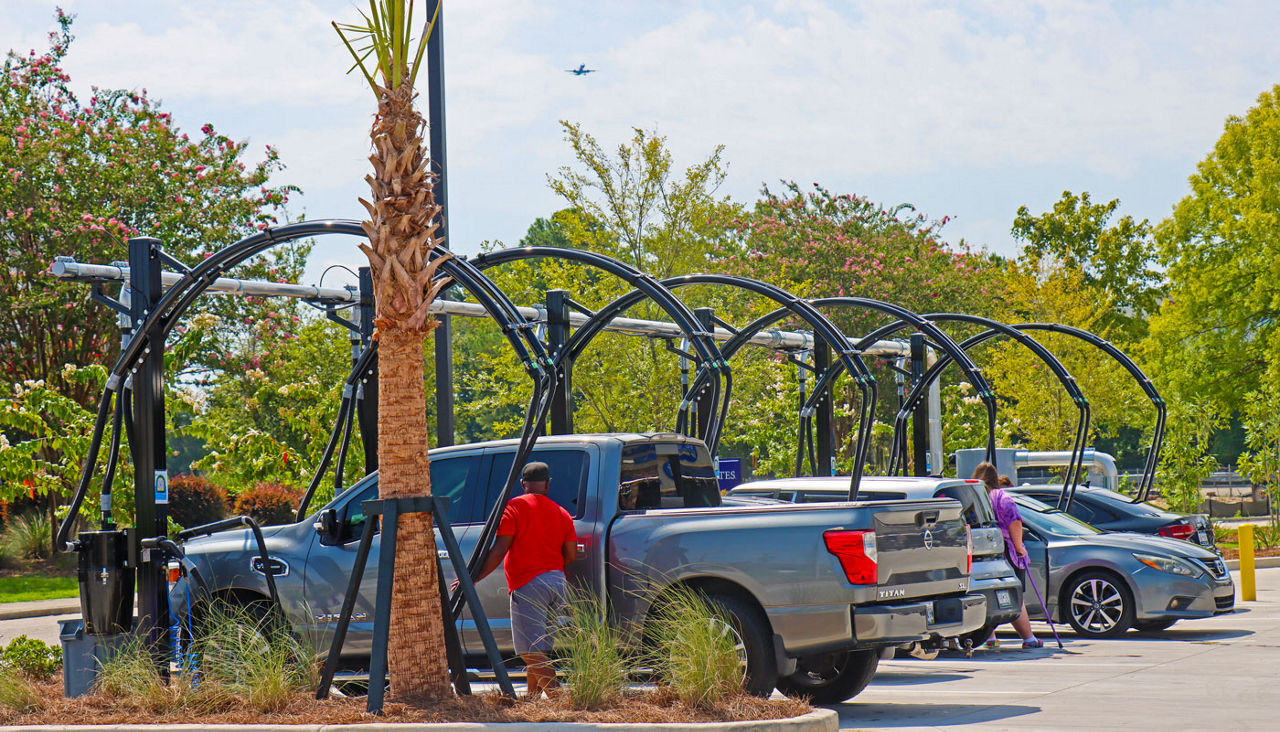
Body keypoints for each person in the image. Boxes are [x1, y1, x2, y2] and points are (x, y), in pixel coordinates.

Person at [473, 461, 578, 699]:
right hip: (557, 582)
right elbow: (571, 555)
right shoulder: (561, 513)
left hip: (529, 584)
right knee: (539, 648)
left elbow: (499, 550)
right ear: (548, 485)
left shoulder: (515, 507)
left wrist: (475, 578)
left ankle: (559, 700)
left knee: (529, 651)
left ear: (523, 484)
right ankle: (531, 699)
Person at [972, 462, 1042, 649]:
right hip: (1005, 551)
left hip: (980, 553)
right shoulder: (1003, 498)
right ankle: (1028, 638)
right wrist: (1019, 547)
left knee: (986, 594)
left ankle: (989, 637)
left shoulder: (975, 497)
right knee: (1014, 597)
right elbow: (1015, 523)